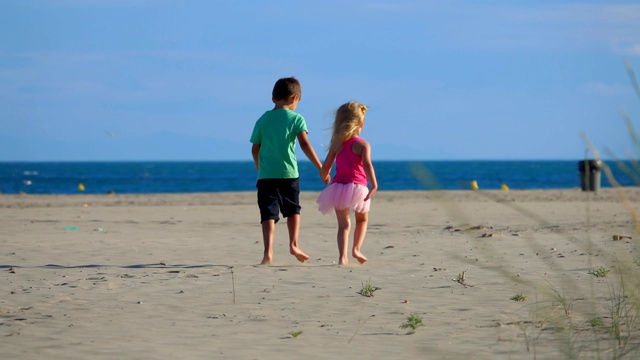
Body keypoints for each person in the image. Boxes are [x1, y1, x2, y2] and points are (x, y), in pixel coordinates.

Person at [250, 77, 329, 265]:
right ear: (295, 98)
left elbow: (255, 147)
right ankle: (293, 244)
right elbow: (304, 144)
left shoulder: (263, 119)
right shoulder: (296, 118)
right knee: (293, 210)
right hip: (289, 174)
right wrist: (321, 167)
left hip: (266, 175)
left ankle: (268, 252)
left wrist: (259, 166)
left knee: (268, 213)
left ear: (273, 98)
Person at [317, 101, 378, 265]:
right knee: (362, 220)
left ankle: (342, 258)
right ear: (361, 123)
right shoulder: (362, 144)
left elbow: (326, 166)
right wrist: (374, 184)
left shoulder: (337, 144)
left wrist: (325, 177)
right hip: (358, 187)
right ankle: (356, 249)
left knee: (343, 225)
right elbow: (367, 165)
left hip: (339, 188)